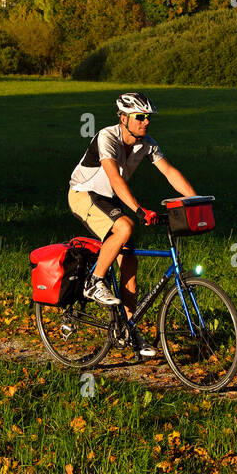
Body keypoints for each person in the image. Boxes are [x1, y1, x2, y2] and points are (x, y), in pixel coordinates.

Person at [68, 90, 196, 358]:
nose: (146, 122)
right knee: (125, 227)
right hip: (84, 194)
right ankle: (94, 281)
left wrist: (195, 200)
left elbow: (169, 172)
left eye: (148, 117)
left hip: (109, 200)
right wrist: (138, 209)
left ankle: (128, 329)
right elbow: (114, 178)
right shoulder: (107, 137)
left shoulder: (147, 143)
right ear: (123, 118)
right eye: (140, 117)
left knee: (130, 265)